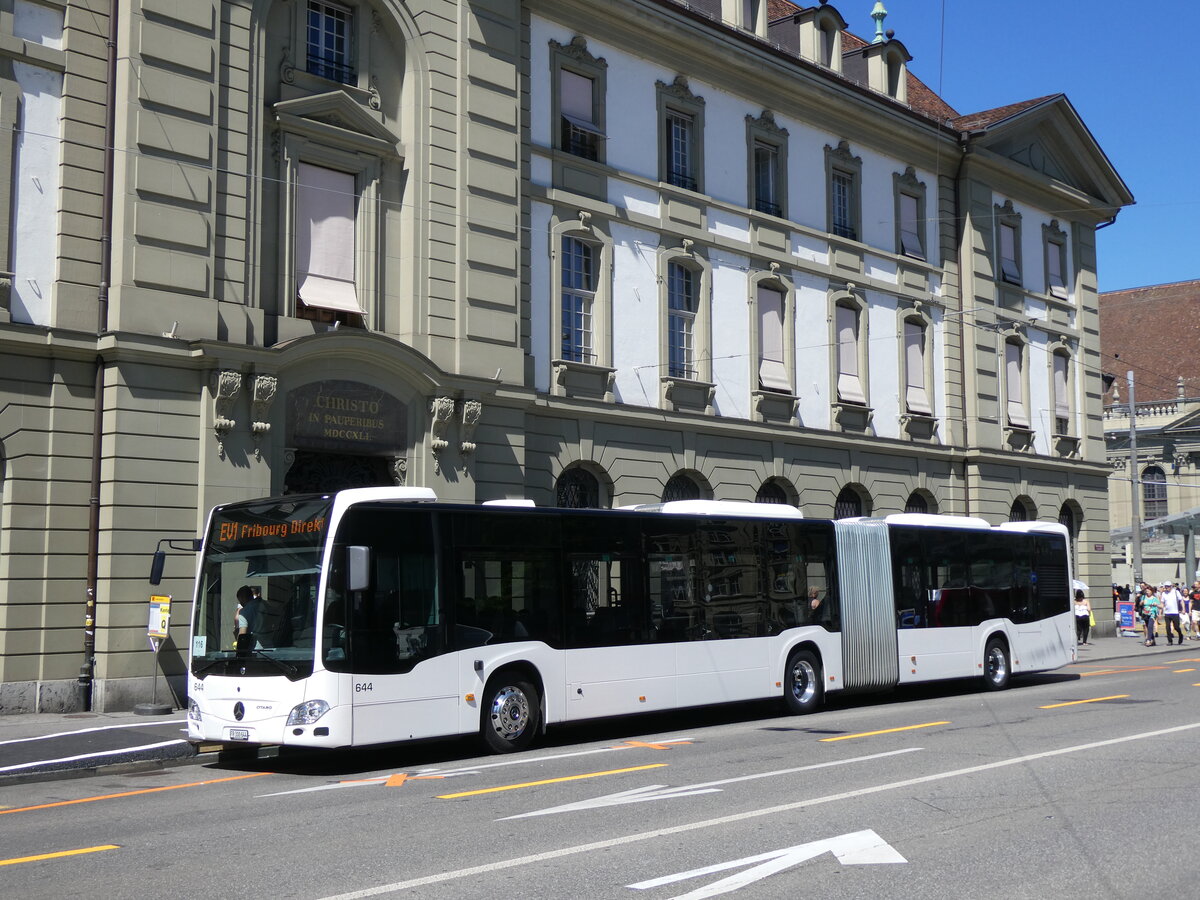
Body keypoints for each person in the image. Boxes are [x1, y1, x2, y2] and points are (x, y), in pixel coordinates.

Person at [1160, 580, 1185, 645]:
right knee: (1167, 627)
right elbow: (1162, 603)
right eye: (1166, 586)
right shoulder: (1163, 593)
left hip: (1175, 612)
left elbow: (1181, 601)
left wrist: (1183, 609)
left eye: (1168, 586)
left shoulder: (1176, 592)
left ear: (1171, 586)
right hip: (1167, 613)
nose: (1167, 588)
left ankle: (1180, 635)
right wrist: (1160, 612)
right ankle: (1170, 641)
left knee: (1176, 627)